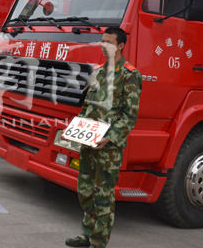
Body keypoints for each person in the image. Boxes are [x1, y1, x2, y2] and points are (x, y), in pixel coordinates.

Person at [65, 27, 142, 248]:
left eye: (109, 42)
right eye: (102, 41)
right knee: (85, 191)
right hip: (89, 142)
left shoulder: (130, 75)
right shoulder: (98, 72)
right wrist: (76, 128)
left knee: (103, 196)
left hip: (108, 148)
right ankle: (87, 234)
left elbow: (130, 115)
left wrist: (111, 137)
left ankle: (98, 242)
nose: (103, 45)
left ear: (120, 46)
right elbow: (88, 106)